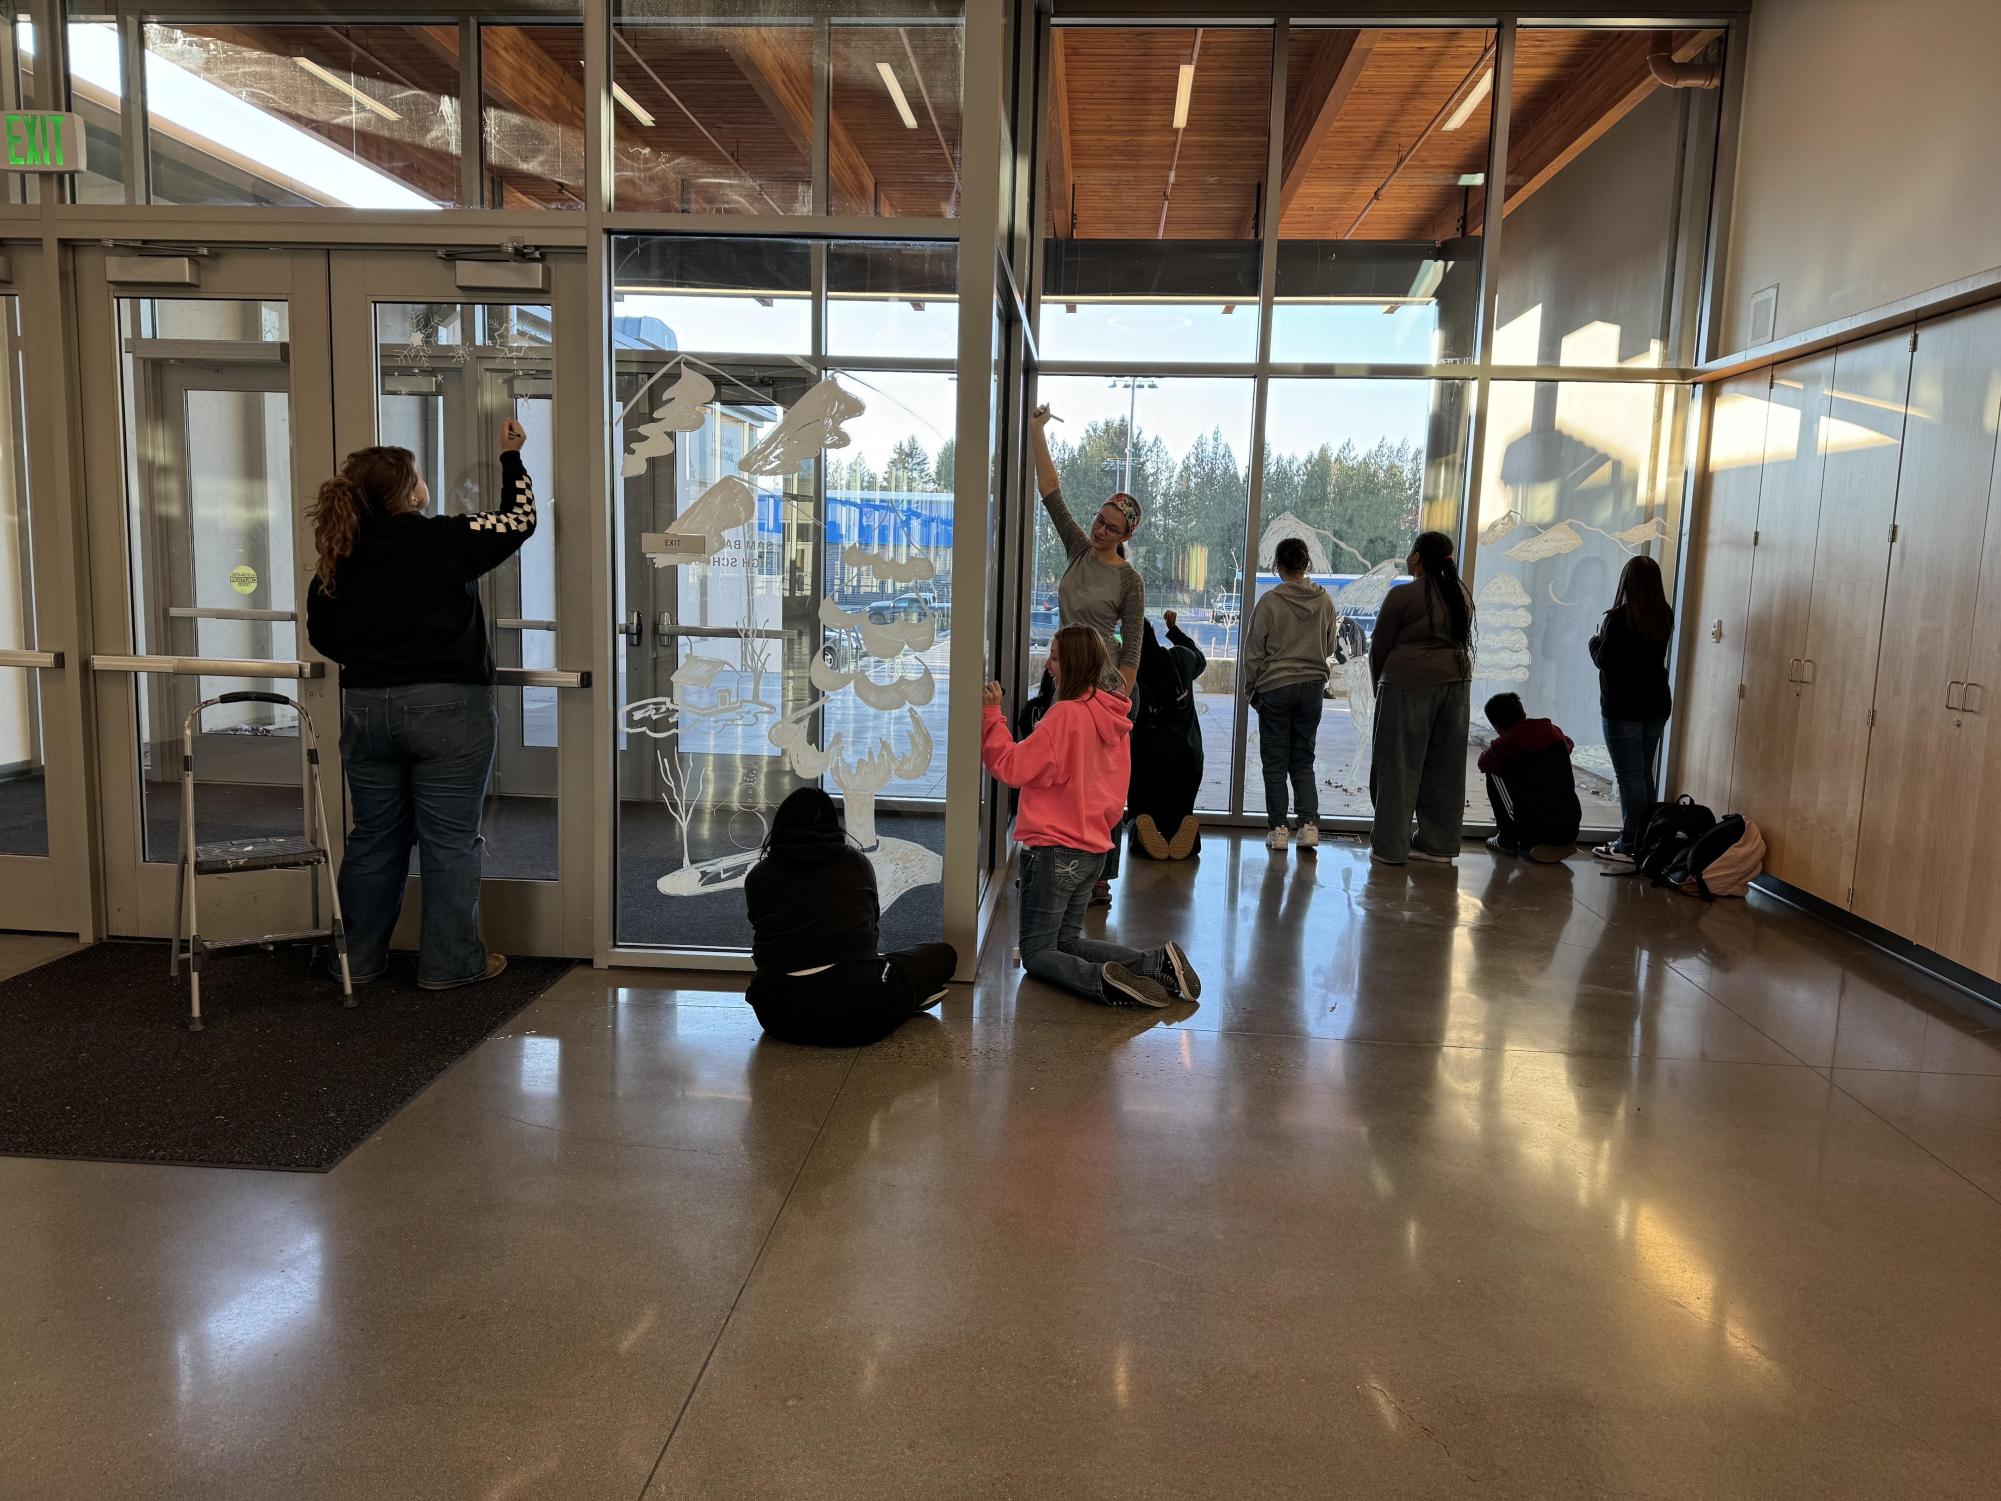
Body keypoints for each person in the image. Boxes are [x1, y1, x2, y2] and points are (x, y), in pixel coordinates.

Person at [305, 422, 537, 989]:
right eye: (419, 477)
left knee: (376, 835)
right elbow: (519, 519)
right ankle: (450, 963)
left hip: (366, 709)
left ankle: (354, 961)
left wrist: (373, 662)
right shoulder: (442, 539)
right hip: (448, 710)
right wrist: (511, 458)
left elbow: (323, 635)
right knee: (451, 840)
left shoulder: (340, 554)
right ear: (411, 493)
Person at [982, 625, 1201, 1009]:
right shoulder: (1112, 716)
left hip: (1053, 852)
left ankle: (1104, 982)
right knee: (1066, 943)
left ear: (1071, 664)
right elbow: (1115, 793)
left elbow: (1011, 767)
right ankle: (1154, 963)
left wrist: (991, 717)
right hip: (1093, 851)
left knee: (1036, 953)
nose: (1048, 665)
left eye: (1053, 656)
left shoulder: (1064, 716)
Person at [1028, 402, 1146, 906]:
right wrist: (1037, 432)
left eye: (1111, 527)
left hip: (1100, 689)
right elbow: (1051, 493)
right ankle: (1055, 857)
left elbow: (1133, 643)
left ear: (1126, 536)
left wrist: (1117, 693)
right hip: (1063, 678)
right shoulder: (1078, 549)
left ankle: (1098, 876)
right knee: (1057, 778)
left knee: (1100, 789)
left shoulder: (1128, 579)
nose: (1100, 530)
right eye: (1100, 519)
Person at [743, 787, 958, 1047]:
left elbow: (762, 943)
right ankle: (901, 1000)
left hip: (779, 1016)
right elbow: (871, 931)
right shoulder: (855, 863)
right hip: (859, 1009)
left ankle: (897, 997)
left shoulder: (759, 875)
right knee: (944, 955)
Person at [1368, 530, 1475, 867]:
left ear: (1416, 556)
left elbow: (1379, 647)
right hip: (1457, 680)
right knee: (1446, 766)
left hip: (1407, 683)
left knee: (1398, 765)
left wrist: (1379, 688)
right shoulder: (1460, 595)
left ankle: (1390, 847)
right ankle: (1438, 845)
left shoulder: (1403, 595)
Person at [1244, 537, 1337, 852]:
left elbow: (1254, 651)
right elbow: (1330, 647)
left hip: (1276, 686)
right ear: (1306, 565)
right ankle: (1309, 826)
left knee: (1274, 761)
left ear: (1278, 566)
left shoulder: (1270, 601)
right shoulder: (1324, 601)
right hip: (1312, 687)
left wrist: (1251, 690)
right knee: (1302, 759)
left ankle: (1279, 829)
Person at [1588, 555, 1675, 864]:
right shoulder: (1664, 615)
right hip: (1655, 704)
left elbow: (1606, 662)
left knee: (1628, 777)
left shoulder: (1618, 618)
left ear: (1627, 582)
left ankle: (1629, 844)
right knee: (1642, 774)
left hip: (1622, 707)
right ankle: (1644, 839)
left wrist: (1594, 642)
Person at [1128, 612, 1207, 860]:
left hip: (1146, 758)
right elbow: (1201, 660)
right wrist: (1173, 630)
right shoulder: (1180, 658)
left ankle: (1140, 832)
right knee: (1180, 811)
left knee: (1140, 812)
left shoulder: (1129, 673)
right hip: (1187, 756)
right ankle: (1186, 834)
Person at [1477, 692, 1582, 862]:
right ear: (1524, 715)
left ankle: (1506, 839)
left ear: (1497, 728)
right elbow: (1569, 744)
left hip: (1533, 828)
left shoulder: (1504, 745)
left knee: (1492, 772)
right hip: (1570, 824)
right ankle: (1557, 842)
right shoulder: (1554, 732)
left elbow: (1483, 763)